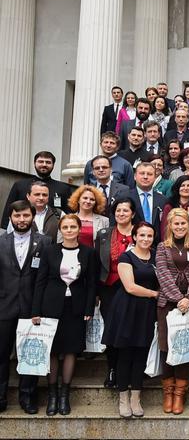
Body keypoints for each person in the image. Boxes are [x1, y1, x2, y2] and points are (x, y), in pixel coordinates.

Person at [32, 214, 99, 416]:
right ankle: (52, 395)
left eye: (73, 227)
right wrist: (36, 311)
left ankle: (64, 396)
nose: (69, 230)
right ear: (60, 230)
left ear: (79, 229)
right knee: (52, 351)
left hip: (76, 307)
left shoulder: (89, 253)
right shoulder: (50, 251)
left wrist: (89, 308)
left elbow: (92, 284)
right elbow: (40, 281)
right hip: (51, 306)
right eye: (65, 227)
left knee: (70, 350)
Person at [101, 222, 159, 418]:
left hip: (146, 312)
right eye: (141, 235)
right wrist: (154, 293)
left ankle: (136, 398)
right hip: (127, 309)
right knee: (125, 355)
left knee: (141, 354)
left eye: (149, 236)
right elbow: (130, 287)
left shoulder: (156, 257)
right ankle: (123, 398)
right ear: (134, 236)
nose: (145, 239)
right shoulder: (126, 256)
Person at [0, 201, 51, 415]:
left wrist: (40, 308)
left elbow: (46, 277)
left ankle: (28, 396)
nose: (22, 220)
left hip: (32, 308)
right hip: (4, 306)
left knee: (30, 355)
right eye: (17, 216)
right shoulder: (1, 242)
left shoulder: (45, 242)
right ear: (11, 217)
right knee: (1, 355)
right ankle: (1, 397)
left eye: (26, 216)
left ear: (32, 216)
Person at [155, 208, 189, 415]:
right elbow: (163, 273)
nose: (179, 227)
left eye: (183, 223)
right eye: (176, 224)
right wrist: (178, 299)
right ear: (170, 225)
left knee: (184, 347)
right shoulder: (161, 247)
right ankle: (168, 392)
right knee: (167, 347)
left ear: (188, 225)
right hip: (167, 304)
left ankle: (179, 394)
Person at [95, 196, 136, 389]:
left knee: (129, 330)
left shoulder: (140, 234)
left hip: (133, 289)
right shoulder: (104, 234)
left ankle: (127, 370)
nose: (121, 214)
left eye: (125, 210)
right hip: (109, 289)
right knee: (112, 330)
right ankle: (112, 369)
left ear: (133, 213)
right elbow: (97, 265)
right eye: (118, 210)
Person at [2, 151, 72, 228]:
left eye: (48, 162)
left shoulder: (63, 188)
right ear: (34, 163)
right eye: (41, 161)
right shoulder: (20, 185)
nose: (44, 164)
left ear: (53, 165)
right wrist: (4, 230)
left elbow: (69, 215)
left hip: (53, 232)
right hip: (22, 231)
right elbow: (9, 211)